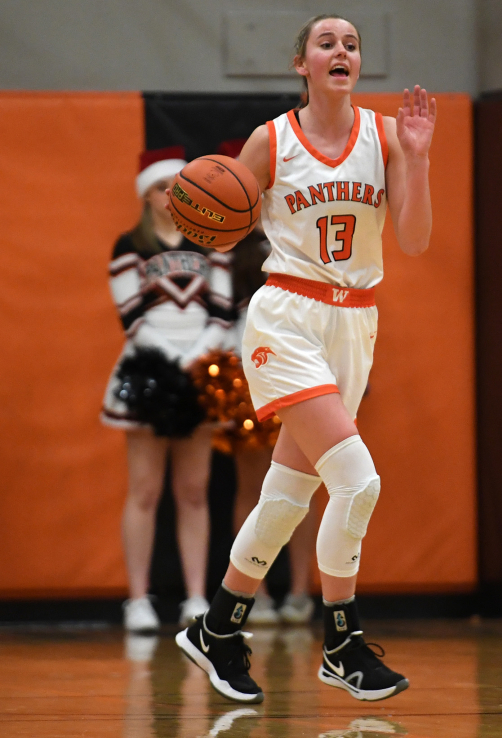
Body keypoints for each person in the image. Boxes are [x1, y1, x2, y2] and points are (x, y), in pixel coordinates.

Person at [175, 14, 436, 704]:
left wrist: (417, 157)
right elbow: (221, 230)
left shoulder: (383, 135)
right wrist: (210, 217)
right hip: (286, 319)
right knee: (358, 482)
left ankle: (218, 631)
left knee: (288, 497)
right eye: (327, 42)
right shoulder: (273, 139)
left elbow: (412, 240)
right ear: (302, 64)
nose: (341, 51)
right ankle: (342, 641)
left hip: (355, 324)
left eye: (351, 43)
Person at [103, 147, 233, 631]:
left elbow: (223, 311)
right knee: (144, 490)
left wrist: (196, 357)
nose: (171, 194)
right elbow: (130, 318)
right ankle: (137, 599)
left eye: (179, 186)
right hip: (146, 374)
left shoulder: (214, 241)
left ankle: (197, 597)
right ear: (146, 195)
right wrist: (172, 362)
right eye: (162, 187)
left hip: (200, 374)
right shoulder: (127, 246)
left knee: (194, 491)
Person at [226, 217, 321, 626]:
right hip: (246, 371)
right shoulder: (226, 248)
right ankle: (255, 593)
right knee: (252, 487)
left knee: (302, 486)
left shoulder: (305, 231)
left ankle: (300, 591)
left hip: (302, 367)